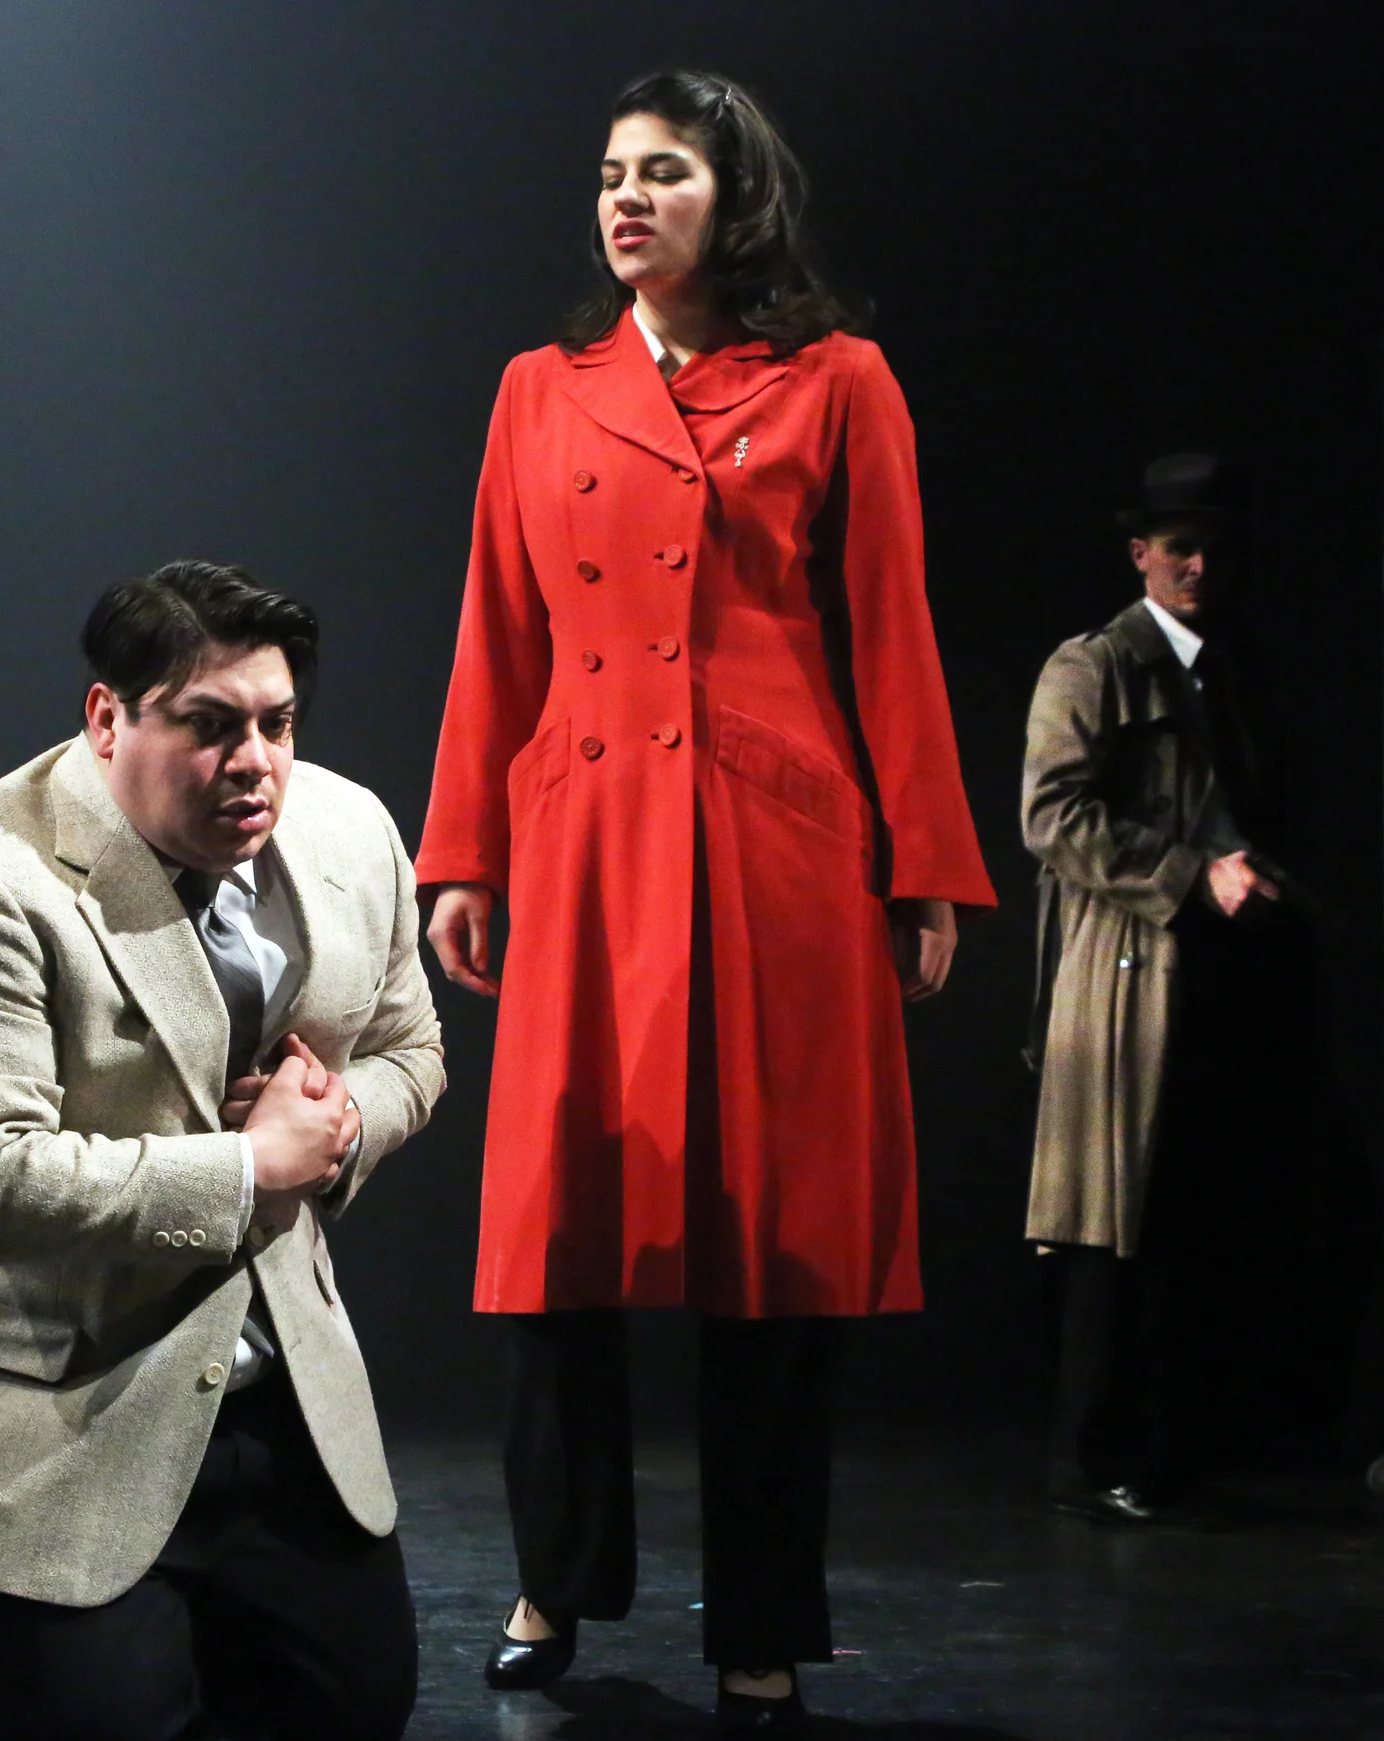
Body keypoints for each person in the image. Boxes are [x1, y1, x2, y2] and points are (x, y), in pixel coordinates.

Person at [417, 70, 995, 1733]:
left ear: (734, 198)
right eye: (612, 172)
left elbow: (894, 630)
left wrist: (924, 866)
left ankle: (763, 1624)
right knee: (555, 1239)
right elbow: (496, 631)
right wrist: (464, 854)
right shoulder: (540, 390)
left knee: (776, 1262)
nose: (627, 198)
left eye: (663, 172)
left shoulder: (837, 381)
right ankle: (553, 1581)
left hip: (772, 844)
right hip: (587, 834)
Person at [0, 560, 443, 1741]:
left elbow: (410, 1048)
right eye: (208, 724)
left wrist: (337, 1123)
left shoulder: (349, 830)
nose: (254, 762)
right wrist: (251, 1168)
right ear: (106, 717)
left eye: (277, 724)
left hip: (283, 1398)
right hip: (66, 1409)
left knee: (355, 1708)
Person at [1021, 452, 1312, 1521]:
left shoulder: (1234, 667)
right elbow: (1051, 815)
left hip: (1225, 969)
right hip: (1127, 970)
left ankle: (1174, 1448)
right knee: (1113, 1218)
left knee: (1200, 1211)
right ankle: (1095, 1456)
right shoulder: (1096, 665)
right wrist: (1191, 873)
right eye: (1178, 546)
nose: (1197, 566)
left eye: (1213, 548)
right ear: (1139, 553)